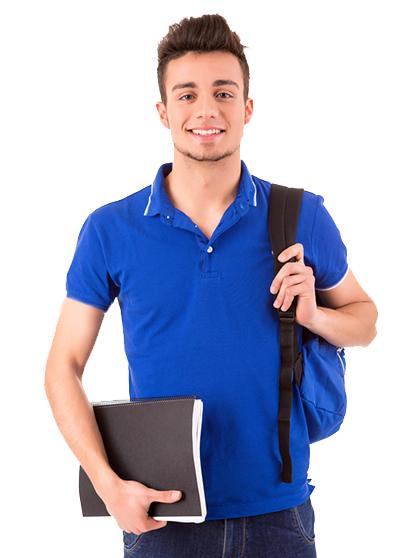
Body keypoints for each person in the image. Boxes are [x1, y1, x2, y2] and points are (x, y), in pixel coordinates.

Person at [44, 13, 378, 558]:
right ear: (163, 111)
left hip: (280, 516)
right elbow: (63, 366)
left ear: (247, 108)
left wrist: (315, 315)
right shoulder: (110, 230)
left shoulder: (300, 215)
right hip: (160, 515)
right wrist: (107, 485)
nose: (207, 110)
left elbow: (365, 322)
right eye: (187, 95)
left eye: (224, 93)